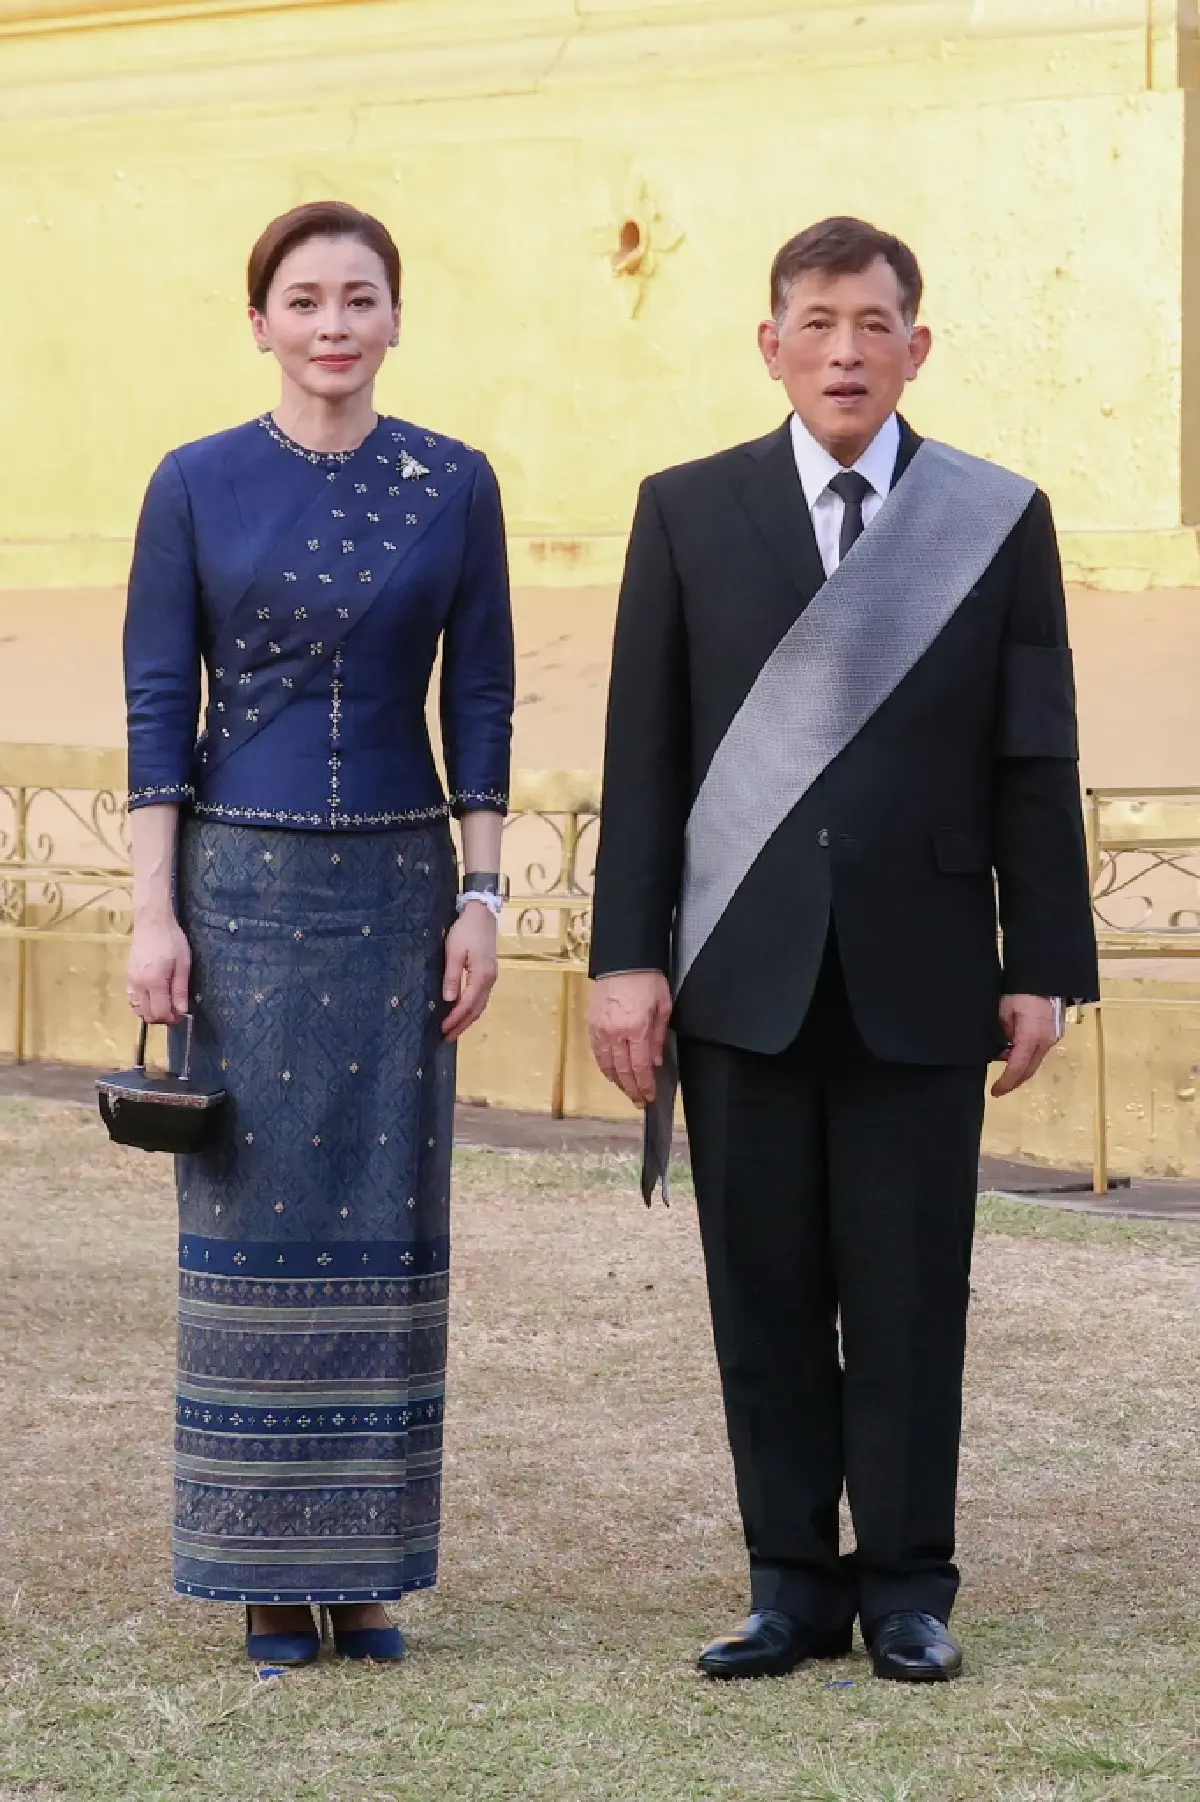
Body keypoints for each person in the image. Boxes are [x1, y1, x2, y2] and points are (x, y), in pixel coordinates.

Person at [587, 217, 1098, 1684]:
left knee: (910, 1286)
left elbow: (1032, 751)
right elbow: (649, 755)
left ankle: (909, 1589)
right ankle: (788, 1582)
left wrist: (1042, 957)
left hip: (926, 969)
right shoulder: (687, 511)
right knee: (759, 1285)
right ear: (771, 344)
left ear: (916, 345)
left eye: (875, 324)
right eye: (815, 323)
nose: (845, 351)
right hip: (743, 968)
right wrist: (630, 956)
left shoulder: (993, 517)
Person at [123, 200, 514, 1668]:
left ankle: (366, 1574)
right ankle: (263, 1576)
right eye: (305, 299)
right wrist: (154, 908)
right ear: (261, 322)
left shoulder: (456, 482)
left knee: (391, 1225)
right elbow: (162, 706)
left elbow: (480, 698)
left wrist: (482, 895)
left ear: (397, 319)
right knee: (251, 1223)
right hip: (239, 894)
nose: (334, 324)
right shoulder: (194, 483)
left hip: (402, 897)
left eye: (361, 298)